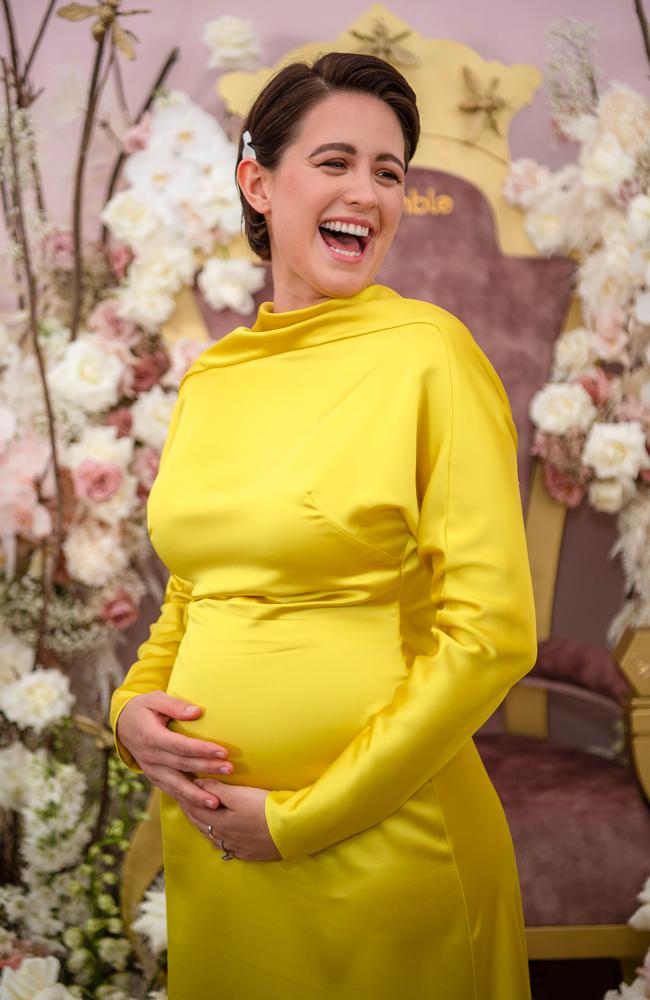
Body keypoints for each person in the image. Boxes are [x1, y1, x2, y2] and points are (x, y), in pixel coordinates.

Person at [110, 51, 537, 1000]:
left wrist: (300, 819)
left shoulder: (429, 354)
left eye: (389, 172)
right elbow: (196, 588)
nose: (369, 193)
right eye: (336, 162)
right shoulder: (212, 377)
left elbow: (491, 636)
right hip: (218, 850)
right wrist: (129, 713)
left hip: (391, 851)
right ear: (258, 183)